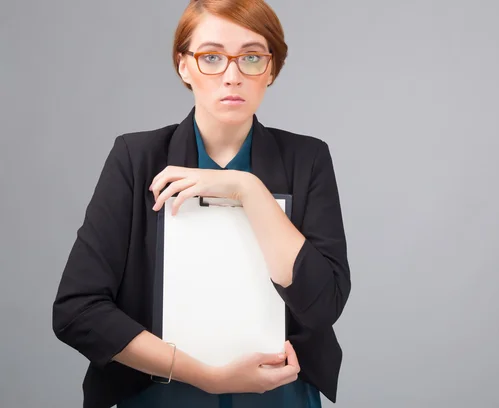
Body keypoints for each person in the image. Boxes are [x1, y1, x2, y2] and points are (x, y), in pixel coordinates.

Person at [51, 1, 351, 407]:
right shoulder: (135, 158)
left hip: (278, 396)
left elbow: (321, 306)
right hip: (161, 394)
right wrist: (205, 377)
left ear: (272, 69)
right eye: (211, 57)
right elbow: (77, 311)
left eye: (251, 57)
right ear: (183, 66)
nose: (232, 76)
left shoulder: (308, 158)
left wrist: (247, 188)